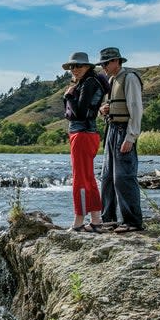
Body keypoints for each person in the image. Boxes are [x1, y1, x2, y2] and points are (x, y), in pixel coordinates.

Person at [97, 47, 144, 232]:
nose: (104, 66)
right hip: (112, 130)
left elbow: (136, 109)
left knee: (123, 177)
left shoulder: (129, 78)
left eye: (106, 63)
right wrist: (103, 110)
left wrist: (131, 137)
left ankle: (132, 222)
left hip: (124, 131)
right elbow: (110, 105)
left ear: (117, 61)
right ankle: (108, 219)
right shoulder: (111, 80)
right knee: (107, 177)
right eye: (102, 63)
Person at [61, 52, 107, 232]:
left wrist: (68, 97)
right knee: (89, 178)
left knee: (80, 180)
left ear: (88, 66)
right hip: (87, 134)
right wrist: (68, 97)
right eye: (72, 67)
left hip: (82, 135)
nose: (74, 69)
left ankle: (78, 221)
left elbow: (78, 113)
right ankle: (96, 221)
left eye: (78, 66)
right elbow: (69, 113)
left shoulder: (88, 83)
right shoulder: (88, 82)